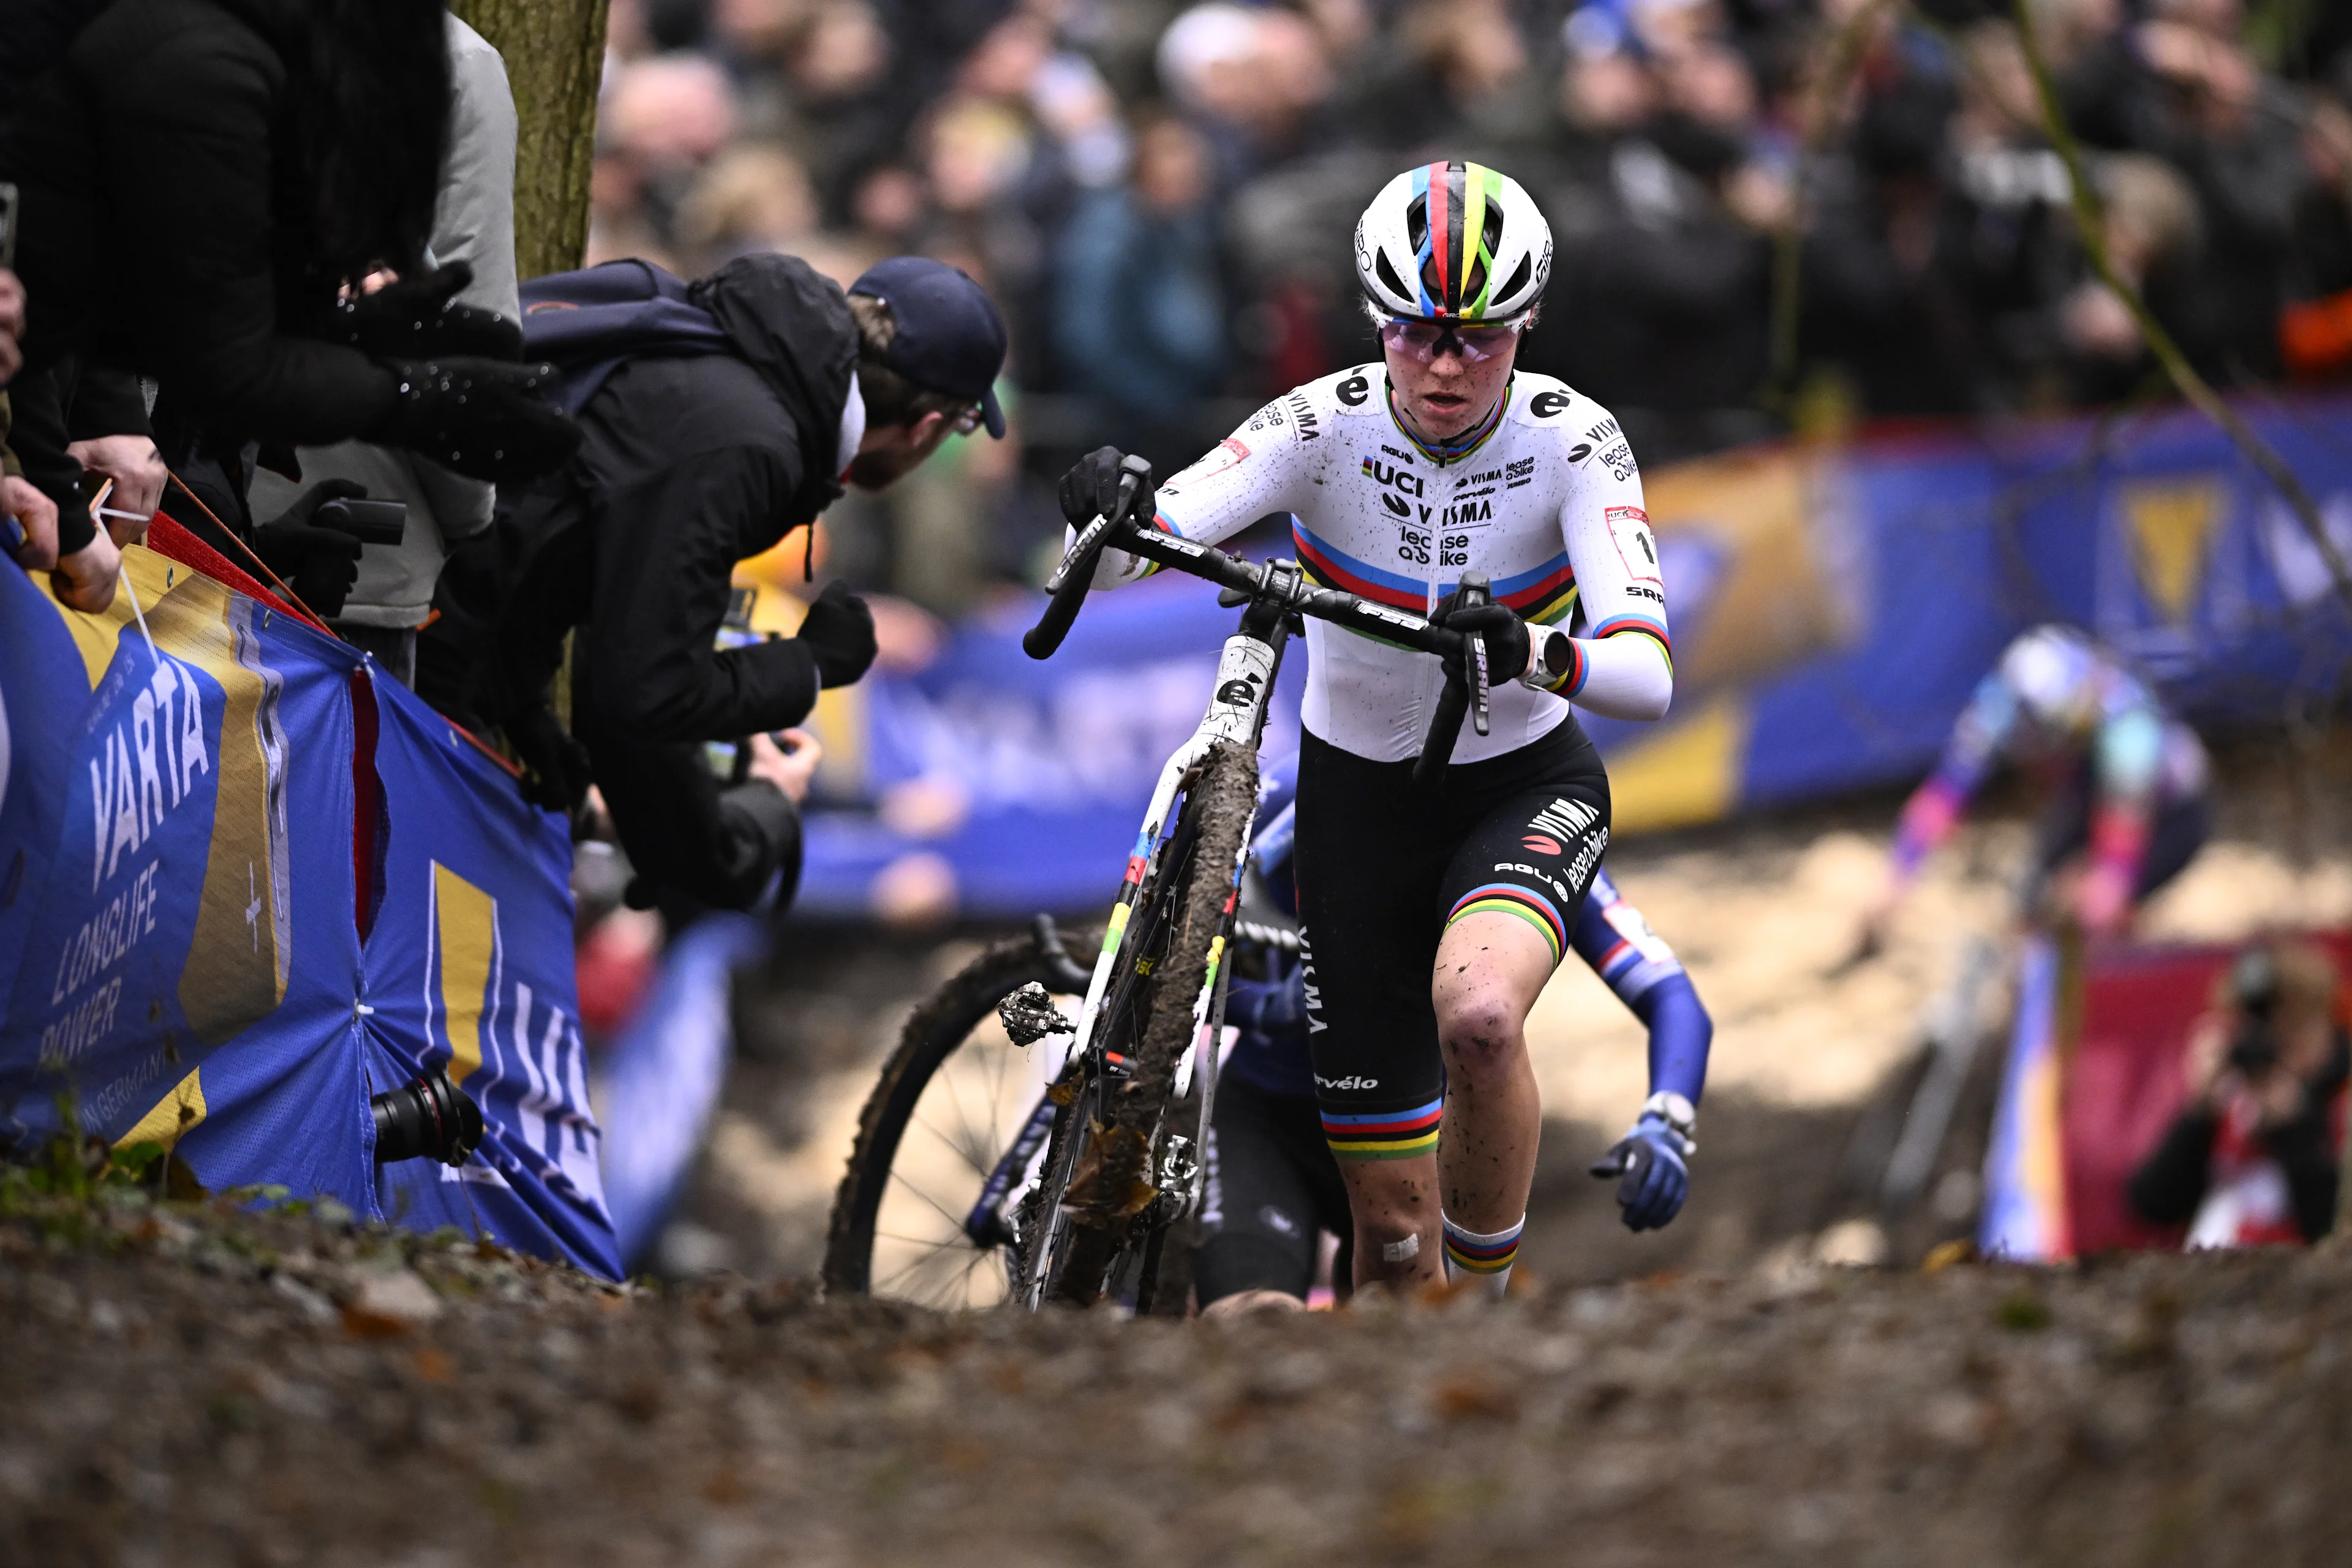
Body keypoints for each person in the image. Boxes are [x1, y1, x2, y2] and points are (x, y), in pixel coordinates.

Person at [1061, 160, 1676, 1297]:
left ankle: (1484, 1314)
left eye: (1480, 338)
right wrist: (1106, 511)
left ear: (1526, 322)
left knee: (1481, 1016)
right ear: (1375, 320)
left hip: (1519, 782)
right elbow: (1133, 551)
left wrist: (1541, 651)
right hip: (1357, 808)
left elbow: (1645, 672)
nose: (1446, 365)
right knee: (1393, 1236)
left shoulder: (1574, 441)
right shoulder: (1317, 424)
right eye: (1416, 333)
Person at [420, 252, 1008, 916]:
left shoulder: (722, 344)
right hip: (401, 664)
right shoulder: (750, 443)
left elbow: (564, 540)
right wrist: (807, 667)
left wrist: (528, 712)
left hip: (423, 631)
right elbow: (645, 693)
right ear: (927, 427)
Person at [0, 0, 577, 595]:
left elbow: (156, 303)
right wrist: (412, 399)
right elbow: (219, 359)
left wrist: (337, 330)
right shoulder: (210, 68)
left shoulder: (245, 50)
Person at [1198, 758, 1712, 1315]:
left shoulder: (1522, 834)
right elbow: (1172, 976)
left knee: (1405, 1327)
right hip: (1270, 1122)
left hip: (1420, 1136)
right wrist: (1261, 1009)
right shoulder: (1293, 792)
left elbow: (1671, 996)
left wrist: (1668, 1118)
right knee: (1254, 1324)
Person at [246, 13, 523, 676]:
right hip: (358, 538)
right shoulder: (451, 62)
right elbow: (463, 323)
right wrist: (474, 515)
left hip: (175, 511)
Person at [1857, 624, 2211, 953]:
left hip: (2174, 814)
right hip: (2090, 791)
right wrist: (1897, 876)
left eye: (2047, 747)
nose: (2036, 765)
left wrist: (2107, 887)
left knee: (2100, 916)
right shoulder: (2003, 708)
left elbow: (2122, 838)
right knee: (2032, 899)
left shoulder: (2127, 727)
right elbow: (1944, 795)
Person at [2128, 941, 2346, 1247]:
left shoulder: (2341, 1105)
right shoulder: (2231, 1106)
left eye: (2294, 1028)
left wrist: (2295, 1132)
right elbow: (2153, 1206)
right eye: (2261, 1028)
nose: (2275, 1044)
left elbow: (2331, 1228)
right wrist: (2199, 1112)